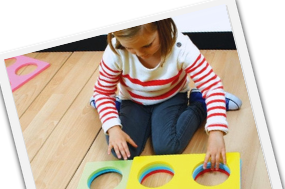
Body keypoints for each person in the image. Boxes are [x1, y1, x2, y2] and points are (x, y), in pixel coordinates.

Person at [90, 18, 241, 170]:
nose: (140, 54)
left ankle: (200, 104)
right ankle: (115, 106)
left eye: (147, 45)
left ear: (161, 27)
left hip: (170, 97)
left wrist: (216, 131)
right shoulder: (115, 52)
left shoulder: (181, 46)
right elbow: (103, 92)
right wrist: (113, 128)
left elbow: (212, 86)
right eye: (130, 48)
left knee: (167, 148)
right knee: (122, 150)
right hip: (133, 101)